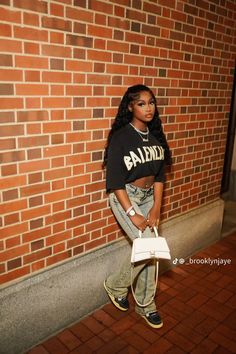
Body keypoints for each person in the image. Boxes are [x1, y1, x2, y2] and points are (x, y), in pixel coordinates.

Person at [102, 84, 171, 328]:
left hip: (149, 197)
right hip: (126, 197)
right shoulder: (121, 137)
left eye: (151, 102)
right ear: (130, 107)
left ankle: (144, 305)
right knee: (148, 248)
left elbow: (160, 177)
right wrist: (132, 213)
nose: (148, 107)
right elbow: (115, 182)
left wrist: (155, 209)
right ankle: (117, 285)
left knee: (152, 253)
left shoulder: (155, 137)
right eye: (141, 103)